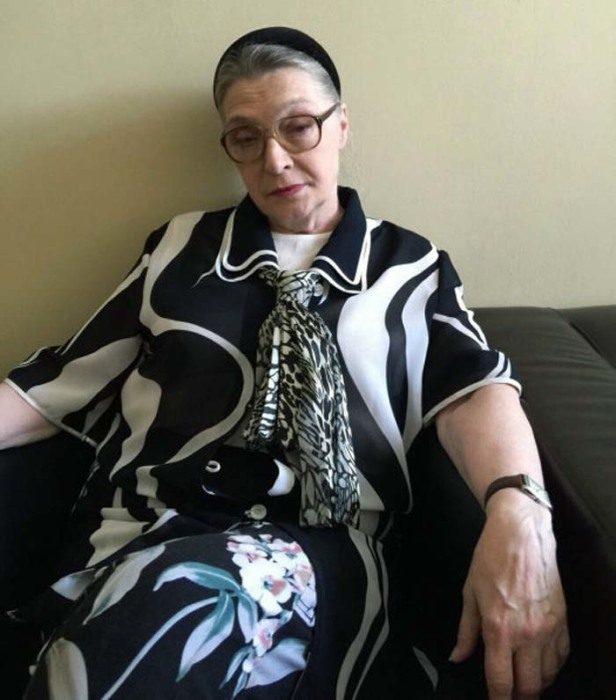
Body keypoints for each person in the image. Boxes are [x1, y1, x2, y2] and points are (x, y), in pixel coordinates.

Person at [0, 26, 569, 699]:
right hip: (138, 535)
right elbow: (59, 384)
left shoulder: (409, 267)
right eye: (246, 138)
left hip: (315, 554)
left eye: (298, 127)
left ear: (341, 126)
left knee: (177, 601)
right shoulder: (180, 247)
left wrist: (521, 512)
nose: (274, 160)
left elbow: (474, 392)